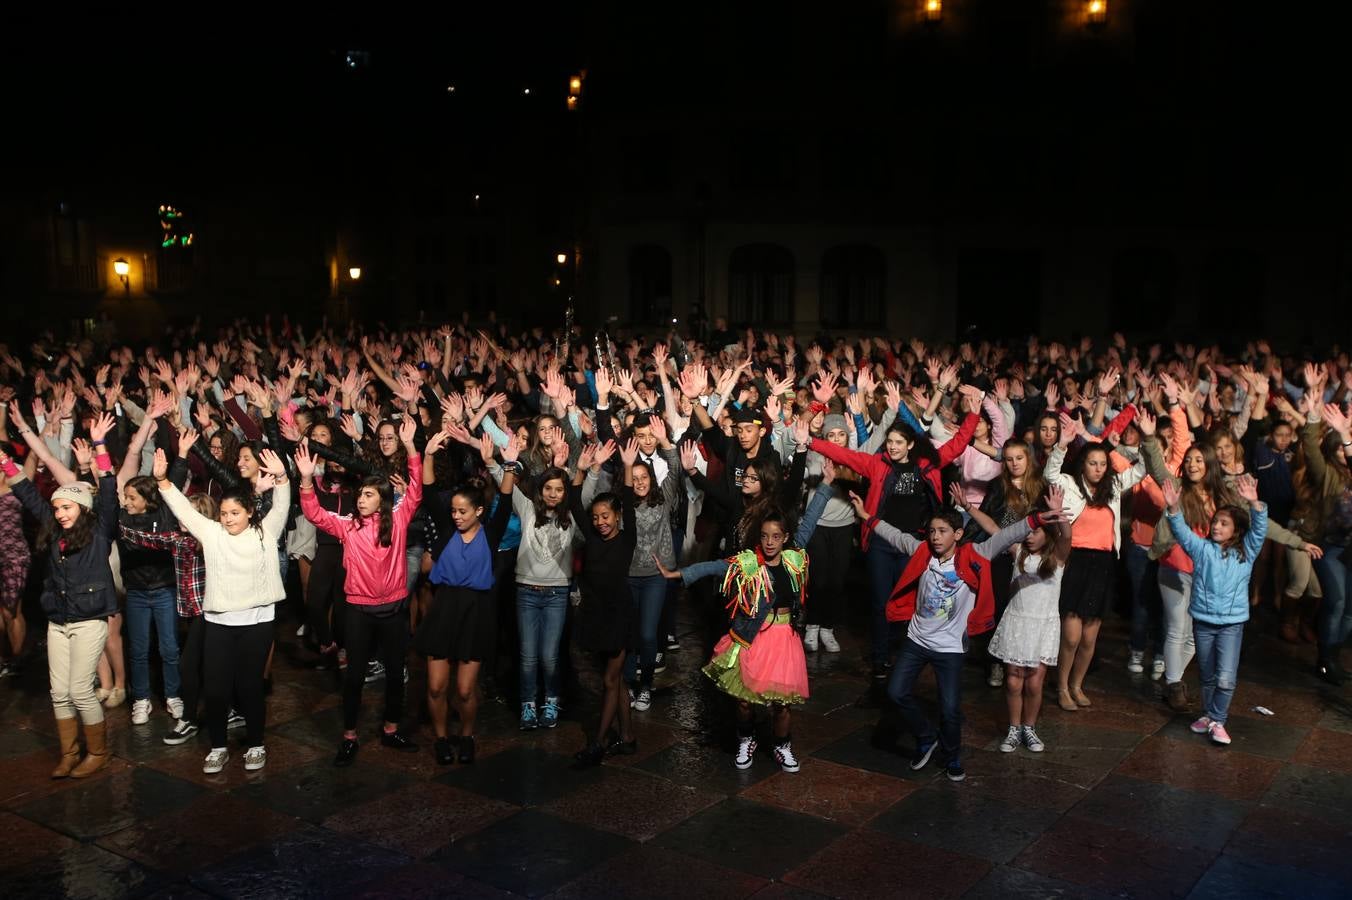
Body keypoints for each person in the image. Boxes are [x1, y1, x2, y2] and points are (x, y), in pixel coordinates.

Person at [852, 492, 1067, 782]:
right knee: (895, 693)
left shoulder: (975, 555)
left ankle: (951, 756)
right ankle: (927, 736)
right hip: (916, 641)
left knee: (951, 710)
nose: (935, 538)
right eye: (931, 532)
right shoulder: (923, 553)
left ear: (958, 534)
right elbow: (897, 537)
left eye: (942, 532)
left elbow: (1007, 535)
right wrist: (868, 518)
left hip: (950, 649)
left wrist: (1037, 519)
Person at [657, 465, 835, 772]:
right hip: (754, 637)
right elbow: (715, 566)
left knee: (782, 704)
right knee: (744, 701)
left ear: (784, 538)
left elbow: (809, 524)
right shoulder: (749, 563)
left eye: (775, 537)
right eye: (765, 536)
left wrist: (827, 486)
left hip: (784, 639)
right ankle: (746, 738)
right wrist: (679, 574)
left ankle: (782, 746)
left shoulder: (793, 559)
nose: (769, 542)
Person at [295, 416, 423, 767]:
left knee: (396, 673)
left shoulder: (397, 520)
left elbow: (415, 491)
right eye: (360, 494)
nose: (361, 499)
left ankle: (391, 728)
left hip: (394, 610)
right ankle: (349, 736)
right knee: (353, 678)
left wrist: (411, 447)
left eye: (367, 495)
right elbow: (314, 513)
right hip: (359, 613)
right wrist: (306, 479)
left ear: (381, 500)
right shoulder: (347, 526)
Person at [155, 446, 291, 774]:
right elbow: (183, 510)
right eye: (224, 513)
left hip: (257, 622)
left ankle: (256, 745)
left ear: (249, 512)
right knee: (215, 690)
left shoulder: (265, 532)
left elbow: (283, 503)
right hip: (218, 623)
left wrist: (284, 478)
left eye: (234, 513)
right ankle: (218, 747)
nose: (227, 518)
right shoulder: (212, 533)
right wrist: (162, 480)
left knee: (249, 687)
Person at [1, 423, 118, 779]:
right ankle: (70, 753)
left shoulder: (100, 532)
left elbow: (109, 490)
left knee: (81, 690)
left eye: (67, 508)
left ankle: (99, 751)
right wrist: (5, 461)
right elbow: (25, 491)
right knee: (59, 692)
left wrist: (99, 444)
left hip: (89, 619)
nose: (61, 513)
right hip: (59, 620)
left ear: (82, 508)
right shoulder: (53, 530)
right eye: (57, 508)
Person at [415, 430, 517, 765]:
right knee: (434, 688)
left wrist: (509, 463)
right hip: (445, 608)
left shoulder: (490, 533)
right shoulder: (447, 530)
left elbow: (505, 498)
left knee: (464, 690)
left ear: (478, 511)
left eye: (462, 511)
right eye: (454, 511)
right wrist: (427, 454)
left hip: (476, 611)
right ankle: (443, 738)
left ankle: (467, 734)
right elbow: (429, 493)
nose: (456, 515)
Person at [1045, 411, 1145, 711]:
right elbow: (1050, 474)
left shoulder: (1112, 489)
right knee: (1072, 637)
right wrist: (1062, 444)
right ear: (1083, 464)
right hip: (1076, 563)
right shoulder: (1069, 484)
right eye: (1093, 462)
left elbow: (1142, 471)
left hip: (1103, 564)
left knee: (1089, 639)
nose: (1099, 468)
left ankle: (1077, 685)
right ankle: (1061, 686)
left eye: (1103, 464)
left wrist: (1147, 440)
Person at [1160, 474, 1268, 745]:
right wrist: (1174, 508)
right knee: (1207, 675)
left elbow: (1259, 530)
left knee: (1226, 678)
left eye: (1224, 523)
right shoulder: (1203, 549)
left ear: (1236, 530)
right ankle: (1209, 716)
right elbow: (1182, 532)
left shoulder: (1246, 551)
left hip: (1231, 624)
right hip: (1204, 622)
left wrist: (1254, 503)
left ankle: (1218, 719)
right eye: (1215, 522)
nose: (1217, 527)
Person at [571, 439, 640, 768]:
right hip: (595, 613)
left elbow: (627, 500)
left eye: (606, 516)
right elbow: (573, 502)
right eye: (596, 517)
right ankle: (626, 735)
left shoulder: (627, 539)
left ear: (617, 517)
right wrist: (581, 471)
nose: (600, 521)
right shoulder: (592, 538)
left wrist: (627, 467)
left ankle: (598, 742)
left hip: (618, 615)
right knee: (617, 679)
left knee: (611, 680)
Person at [988, 485, 1072, 753]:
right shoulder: (1018, 553)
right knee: (1013, 680)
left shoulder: (1057, 559)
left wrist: (1059, 516)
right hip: (1017, 622)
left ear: (1046, 534)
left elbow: (1066, 537)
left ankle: (1029, 727)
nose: (1029, 535)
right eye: (1028, 530)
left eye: (1035, 531)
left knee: (1034, 682)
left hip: (1042, 624)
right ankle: (1013, 729)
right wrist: (967, 508)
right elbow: (993, 530)